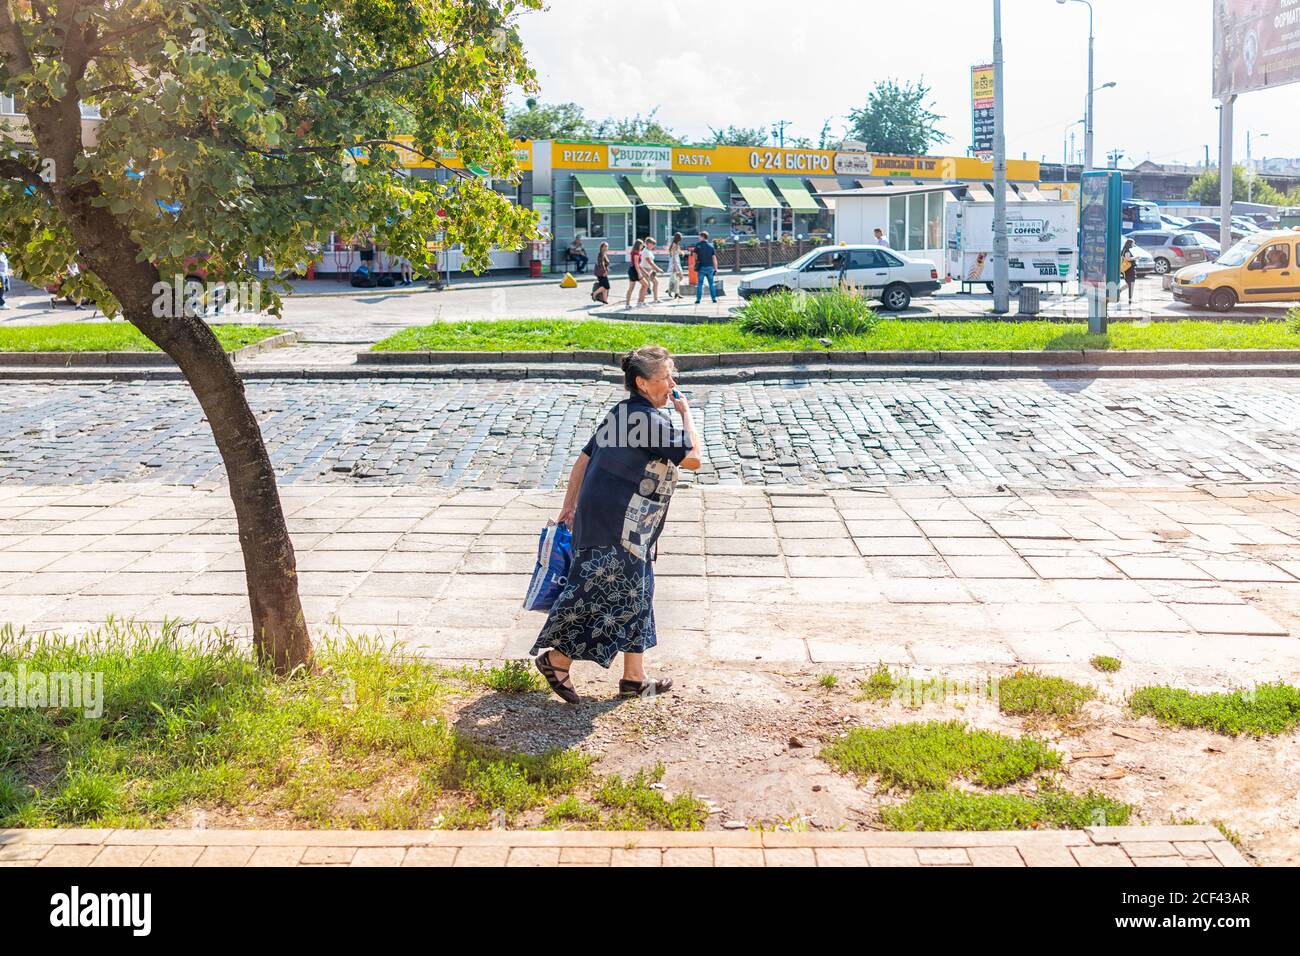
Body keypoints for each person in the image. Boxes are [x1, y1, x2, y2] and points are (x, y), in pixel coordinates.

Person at [532, 345, 702, 703]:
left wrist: (568, 506)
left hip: (615, 522)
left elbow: (581, 460)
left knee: (638, 593)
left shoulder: (622, 413)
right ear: (642, 382)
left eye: (673, 376)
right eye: (665, 377)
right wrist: (686, 414)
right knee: (596, 597)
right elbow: (693, 458)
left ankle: (634, 679)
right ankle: (556, 659)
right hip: (616, 526)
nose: (672, 384)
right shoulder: (650, 420)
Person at [692, 231, 719, 304]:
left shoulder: (698, 245)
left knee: (700, 284)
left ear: (703, 237)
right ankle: (714, 299)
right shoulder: (711, 246)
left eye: (699, 236)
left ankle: (698, 300)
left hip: (701, 267)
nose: (698, 238)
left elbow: (694, 255)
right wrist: (716, 269)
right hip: (710, 267)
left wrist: (697, 260)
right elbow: (714, 258)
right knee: (711, 284)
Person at [624, 239, 649, 308]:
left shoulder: (634, 252)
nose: (642, 247)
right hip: (635, 271)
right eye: (641, 245)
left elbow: (637, 264)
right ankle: (640, 302)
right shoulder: (636, 253)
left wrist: (644, 271)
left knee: (631, 288)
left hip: (632, 270)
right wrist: (639, 273)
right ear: (638, 245)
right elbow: (636, 264)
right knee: (646, 285)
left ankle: (627, 305)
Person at [640, 237, 663, 302]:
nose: (653, 245)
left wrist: (654, 269)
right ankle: (641, 301)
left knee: (656, 282)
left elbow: (651, 262)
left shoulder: (649, 251)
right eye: (652, 244)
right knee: (645, 286)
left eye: (654, 244)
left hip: (650, 270)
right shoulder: (645, 251)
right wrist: (658, 269)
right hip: (645, 270)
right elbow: (650, 262)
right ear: (648, 244)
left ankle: (655, 299)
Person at [666, 232, 685, 299]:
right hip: (675, 262)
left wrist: (682, 253)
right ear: (678, 238)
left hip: (676, 261)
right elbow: (673, 255)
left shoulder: (676, 244)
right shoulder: (674, 244)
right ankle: (674, 291)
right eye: (681, 237)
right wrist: (674, 265)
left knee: (675, 278)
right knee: (680, 277)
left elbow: (679, 251)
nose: (681, 238)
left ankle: (673, 290)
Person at [1120, 238, 1137, 305]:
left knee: (1128, 284)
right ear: (1130, 244)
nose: (1134, 244)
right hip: (1129, 270)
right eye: (1133, 243)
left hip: (1127, 269)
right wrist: (1135, 257)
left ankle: (1119, 291)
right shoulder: (1127, 251)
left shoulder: (1124, 250)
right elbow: (1128, 259)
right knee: (1131, 284)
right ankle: (1130, 299)